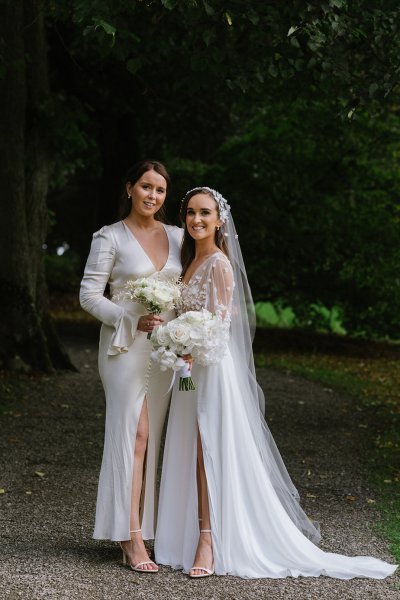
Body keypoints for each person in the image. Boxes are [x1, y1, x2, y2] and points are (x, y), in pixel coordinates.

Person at [154, 186, 397, 580]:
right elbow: (185, 319)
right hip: (187, 370)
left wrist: (188, 345)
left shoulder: (219, 264)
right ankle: (183, 536)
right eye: (190, 213)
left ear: (220, 220)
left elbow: (220, 328)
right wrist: (169, 338)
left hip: (212, 371)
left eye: (205, 213)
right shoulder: (189, 265)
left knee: (207, 450)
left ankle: (208, 540)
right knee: (187, 446)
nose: (197, 220)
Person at [79, 160, 183, 573]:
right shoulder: (110, 237)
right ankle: (130, 535)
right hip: (124, 348)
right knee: (133, 434)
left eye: (159, 190)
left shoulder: (176, 237)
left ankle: (141, 525)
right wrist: (127, 318)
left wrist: (189, 333)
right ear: (129, 188)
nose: (152, 195)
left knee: (149, 438)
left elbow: (185, 290)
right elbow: (89, 295)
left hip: (163, 352)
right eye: (145, 187)